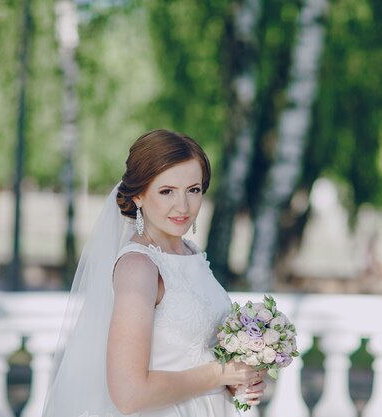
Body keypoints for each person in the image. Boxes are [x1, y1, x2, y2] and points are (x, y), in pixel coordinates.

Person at [42, 129, 266, 417]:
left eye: (193, 190)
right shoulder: (139, 267)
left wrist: (237, 382)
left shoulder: (190, 253)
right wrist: (221, 374)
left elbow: (191, 355)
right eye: (166, 191)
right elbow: (128, 394)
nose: (183, 206)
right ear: (138, 196)